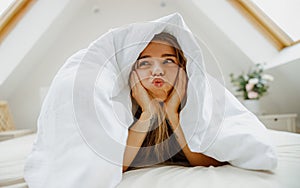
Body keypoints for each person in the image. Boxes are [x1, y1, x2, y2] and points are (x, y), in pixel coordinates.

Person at [122, 32, 226, 172]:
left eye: (168, 61)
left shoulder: (196, 103)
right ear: (133, 73)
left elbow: (210, 163)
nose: (157, 71)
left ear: (181, 70)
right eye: (145, 63)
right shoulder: (124, 108)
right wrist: (147, 113)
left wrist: (172, 114)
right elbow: (115, 166)